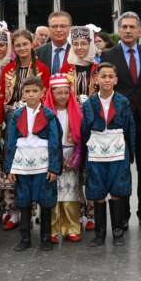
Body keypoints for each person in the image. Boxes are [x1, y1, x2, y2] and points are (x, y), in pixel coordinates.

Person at [101, 12, 141, 230]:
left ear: (140, 31)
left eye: (133, 27)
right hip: (118, 121)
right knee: (120, 170)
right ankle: (121, 215)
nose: (128, 30)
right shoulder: (108, 55)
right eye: (124, 27)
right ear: (118, 30)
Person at [0, 29, 51, 229]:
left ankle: (36, 209)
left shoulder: (42, 68)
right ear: (13, 48)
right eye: (17, 45)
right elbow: (1, 98)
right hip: (11, 122)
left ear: (32, 44)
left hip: (36, 121)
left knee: (34, 164)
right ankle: (13, 210)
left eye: (25, 44)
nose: (22, 48)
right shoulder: (8, 70)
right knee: (13, 164)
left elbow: (47, 97)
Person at [81, 63, 137, 246]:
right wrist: (84, 153)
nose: (106, 80)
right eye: (103, 76)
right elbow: (84, 130)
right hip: (96, 150)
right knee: (97, 190)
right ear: (96, 79)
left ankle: (118, 232)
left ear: (116, 80)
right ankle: (99, 233)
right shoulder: (89, 103)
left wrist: (131, 152)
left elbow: (130, 127)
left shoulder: (123, 102)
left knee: (118, 190)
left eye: (110, 76)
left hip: (118, 150)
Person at [5, 76, 62, 251]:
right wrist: (9, 167)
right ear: (22, 94)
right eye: (27, 91)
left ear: (42, 93)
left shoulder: (49, 115)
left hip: (43, 164)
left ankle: (45, 237)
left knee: (45, 200)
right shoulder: (16, 115)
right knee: (23, 200)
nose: (31, 95)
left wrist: (54, 167)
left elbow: (55, 142)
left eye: (34, 91)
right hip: (22, 164)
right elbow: (10, 141)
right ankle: (25, 238)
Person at [46, 75, 84, 243]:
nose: (62, 96)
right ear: (51, 94)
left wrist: (76, 156)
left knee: (70, 194)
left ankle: (72, 227)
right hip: (52, 157)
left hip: (70, 156)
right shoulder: (46, 113)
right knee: (52, 195)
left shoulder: (75, 112)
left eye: (65, 93)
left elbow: (80, 136)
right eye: (58, 93)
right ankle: (52, 229)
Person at [63, 24, 100, 102]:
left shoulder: (98, 68)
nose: (79, 47)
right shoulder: (65, 68)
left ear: (90, 45)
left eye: (83, 43)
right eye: (75, 44)